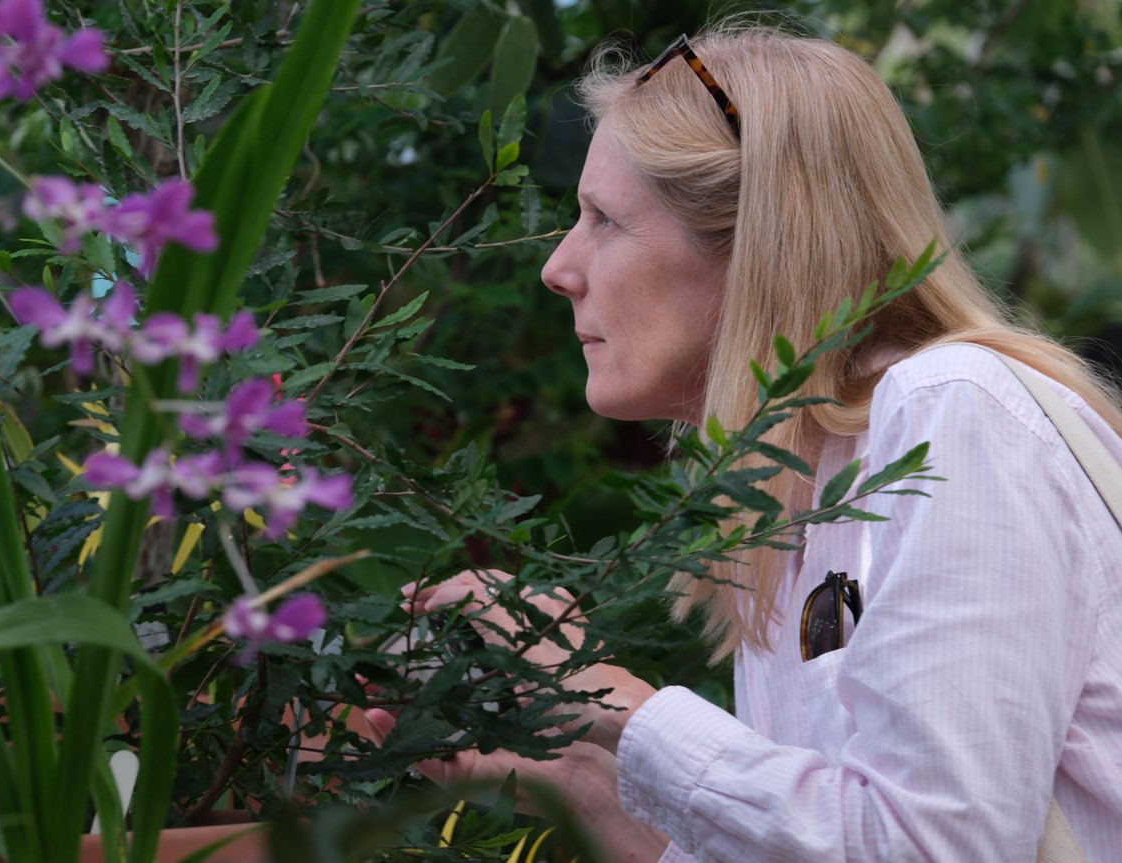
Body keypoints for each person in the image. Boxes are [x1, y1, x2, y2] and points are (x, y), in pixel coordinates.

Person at [363, 24, 1122, 862]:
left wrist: (618, 702)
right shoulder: (795, 486)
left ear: (759, 239)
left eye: (602, 219)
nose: (557, 265)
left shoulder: (945, 409)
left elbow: (934, 845)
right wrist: (579, 777)